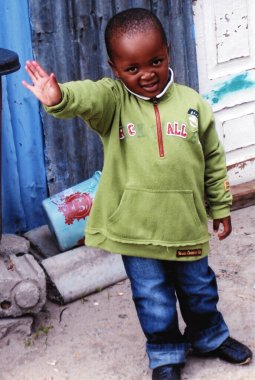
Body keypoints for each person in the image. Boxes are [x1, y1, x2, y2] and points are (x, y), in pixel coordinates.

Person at [22, 8, 252, 380]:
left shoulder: (193, 103)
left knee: (200, 289)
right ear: (115, 69)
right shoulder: (114, 103)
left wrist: (221, 209)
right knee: (153, 299)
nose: (146, 73)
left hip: (185, 225)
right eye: (132, 68)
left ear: (168, 53)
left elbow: (212, 159)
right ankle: (165, 354)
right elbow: (89, 97)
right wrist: (60, 96)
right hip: (136, 232)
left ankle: (209, 336)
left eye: (155, 61)